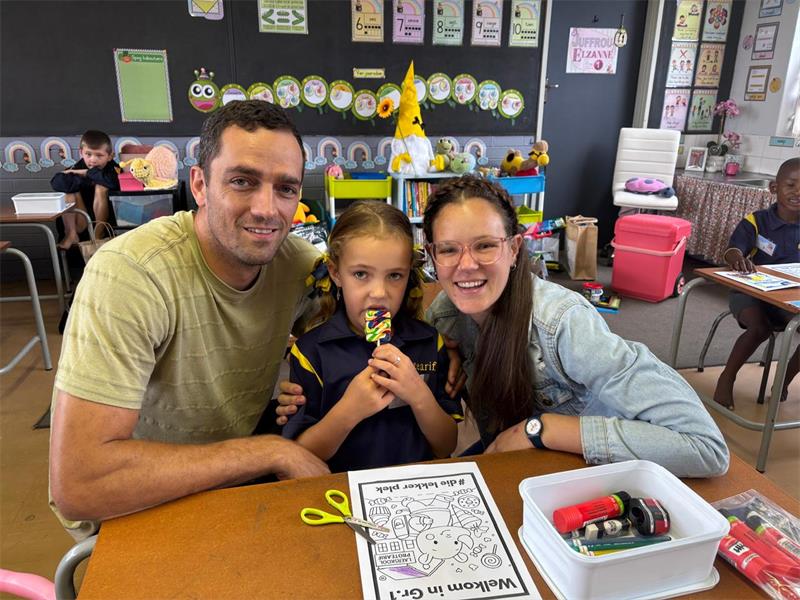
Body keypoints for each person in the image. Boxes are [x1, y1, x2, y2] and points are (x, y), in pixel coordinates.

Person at [277, 177, 729, 478]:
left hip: (590, 476)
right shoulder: (443, 321)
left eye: (485, 246)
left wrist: (541, 428)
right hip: (514, 474)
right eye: (449, 250)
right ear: (432, 258)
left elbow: (707, 447)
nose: (466, 265)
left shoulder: (563, 324)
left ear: (514, 248)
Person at [49, 100, 330, 541]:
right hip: (133, 508)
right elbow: (79, 483)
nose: (267, 208)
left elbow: (369, 324)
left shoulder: (299, 266)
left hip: (233, 489)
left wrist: (435, 347)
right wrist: (267, 452)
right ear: (199, 184)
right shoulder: (130, 274)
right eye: (242, 181)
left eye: (285, 189)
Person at [282, 201, 461, 472]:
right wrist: (349, 410)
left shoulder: (429, 342)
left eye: (395, 276)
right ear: (335, 273)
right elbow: (300, 457)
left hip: (414, 485)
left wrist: (419, 395)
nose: (378, 292)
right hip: (341, 488)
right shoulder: (310, 353)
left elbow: (446, 445)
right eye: (361, 274)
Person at [713, 157, 800, 410]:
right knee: (759, 328)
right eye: (791, 185)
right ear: (774, 188)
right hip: (750, 292)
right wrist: (737, 258)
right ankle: (726, 378)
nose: (798, 192)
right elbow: (732, 250)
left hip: (788, 297)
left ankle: (783, 381)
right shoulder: (757, 221)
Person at [50, 130, 120, 248]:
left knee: (101, 186)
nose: (93, 160)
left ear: (110, 156)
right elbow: (57, 182)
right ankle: (71, 233)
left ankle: (98, 235)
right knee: (68, 190)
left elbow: (112, 181)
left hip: (106, 224)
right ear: (81, 153)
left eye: (99, 155)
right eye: (88, 154)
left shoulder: (114, 169)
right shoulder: (75, 168)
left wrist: (87, 173)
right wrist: (80, 181)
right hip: (81, 222)